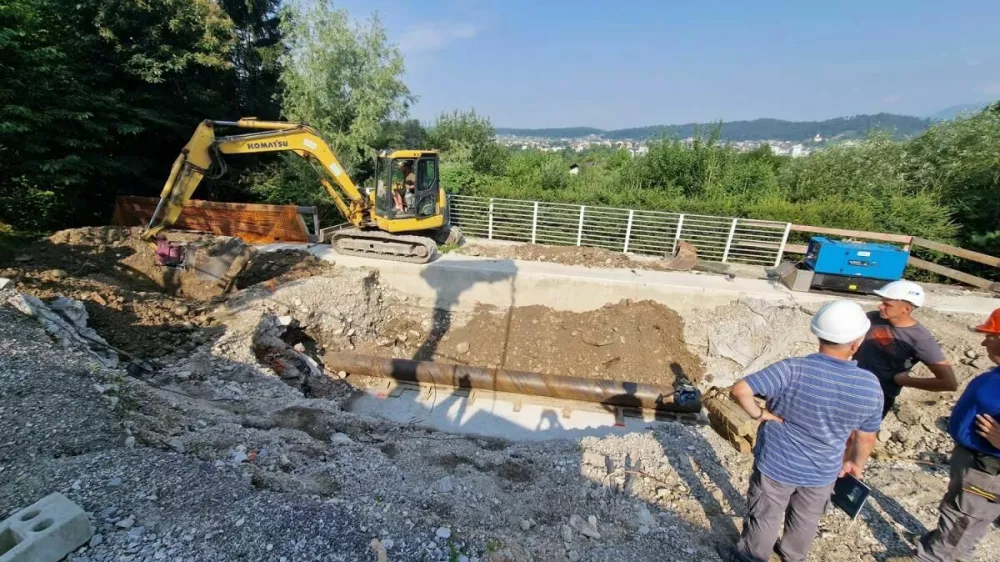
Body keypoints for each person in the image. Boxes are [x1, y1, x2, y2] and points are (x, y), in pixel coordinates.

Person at [723, 300, 883, 562]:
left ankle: (752, 558)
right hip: (823, 470)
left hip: (777, 462)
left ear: (819, 334)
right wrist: (855, 463)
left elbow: (740, 390)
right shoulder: (869, 386)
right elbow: (866, 436)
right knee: (806, 518)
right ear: (856, 343)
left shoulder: (792, 369)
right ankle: (791, 556)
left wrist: (760, 414)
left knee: (766, 514)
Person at [886, 308, 1000, 562]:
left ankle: (937, 557)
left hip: (988, 469)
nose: (983, 341)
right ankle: (944, 548)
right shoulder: (996, 373)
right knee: (957, 510)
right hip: (973, 461)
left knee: (964, 520)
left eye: (990, 336)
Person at [854, 280, 957, 418]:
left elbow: (949, 383)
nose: (880, 306)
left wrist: (906, 381)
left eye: (887, 304)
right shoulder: (872, 318)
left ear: (906, 309)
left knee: (858, 437)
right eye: (882, 302)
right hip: (851, 386)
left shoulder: (920, 339)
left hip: (878, 397)